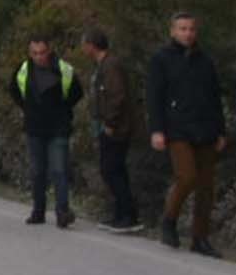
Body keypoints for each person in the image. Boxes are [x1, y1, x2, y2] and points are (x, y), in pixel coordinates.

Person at [145, 11, 228, 255]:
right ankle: (169, 220)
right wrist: (157, 130)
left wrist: (220, 130)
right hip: (177, 128)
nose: (187, 33)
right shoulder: (161, 59)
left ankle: (200, 237)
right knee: (187, 176)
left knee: (206, 186)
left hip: (205, 128)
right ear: (173, 31)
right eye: (182, 29)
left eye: (191, 29)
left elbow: (215, 97)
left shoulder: (205, 61)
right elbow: (154, 97)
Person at [11, 35, 85, 227]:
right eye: (35, 53)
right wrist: (28, 109)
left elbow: (77, 92)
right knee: (37, 172)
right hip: (34, 128)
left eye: (42, 52)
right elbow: (14, 91)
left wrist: (62, 110)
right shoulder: (23, 70)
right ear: (30, 53)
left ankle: (62, 212)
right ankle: (38, 211)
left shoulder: (63, 70)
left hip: (58, 128)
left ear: (49, 50)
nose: (39, 57)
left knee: (59, 170)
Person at [79, 27, 142, 233]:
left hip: (116, 128)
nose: (83, 49)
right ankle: (121, 214)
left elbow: (117, 96)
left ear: (91, 45)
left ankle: (128, 215)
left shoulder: (111, 65)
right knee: (115, 170)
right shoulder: (102, 66)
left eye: (84, 44)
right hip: (108, 125)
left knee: (111, 169)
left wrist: (110, 122)